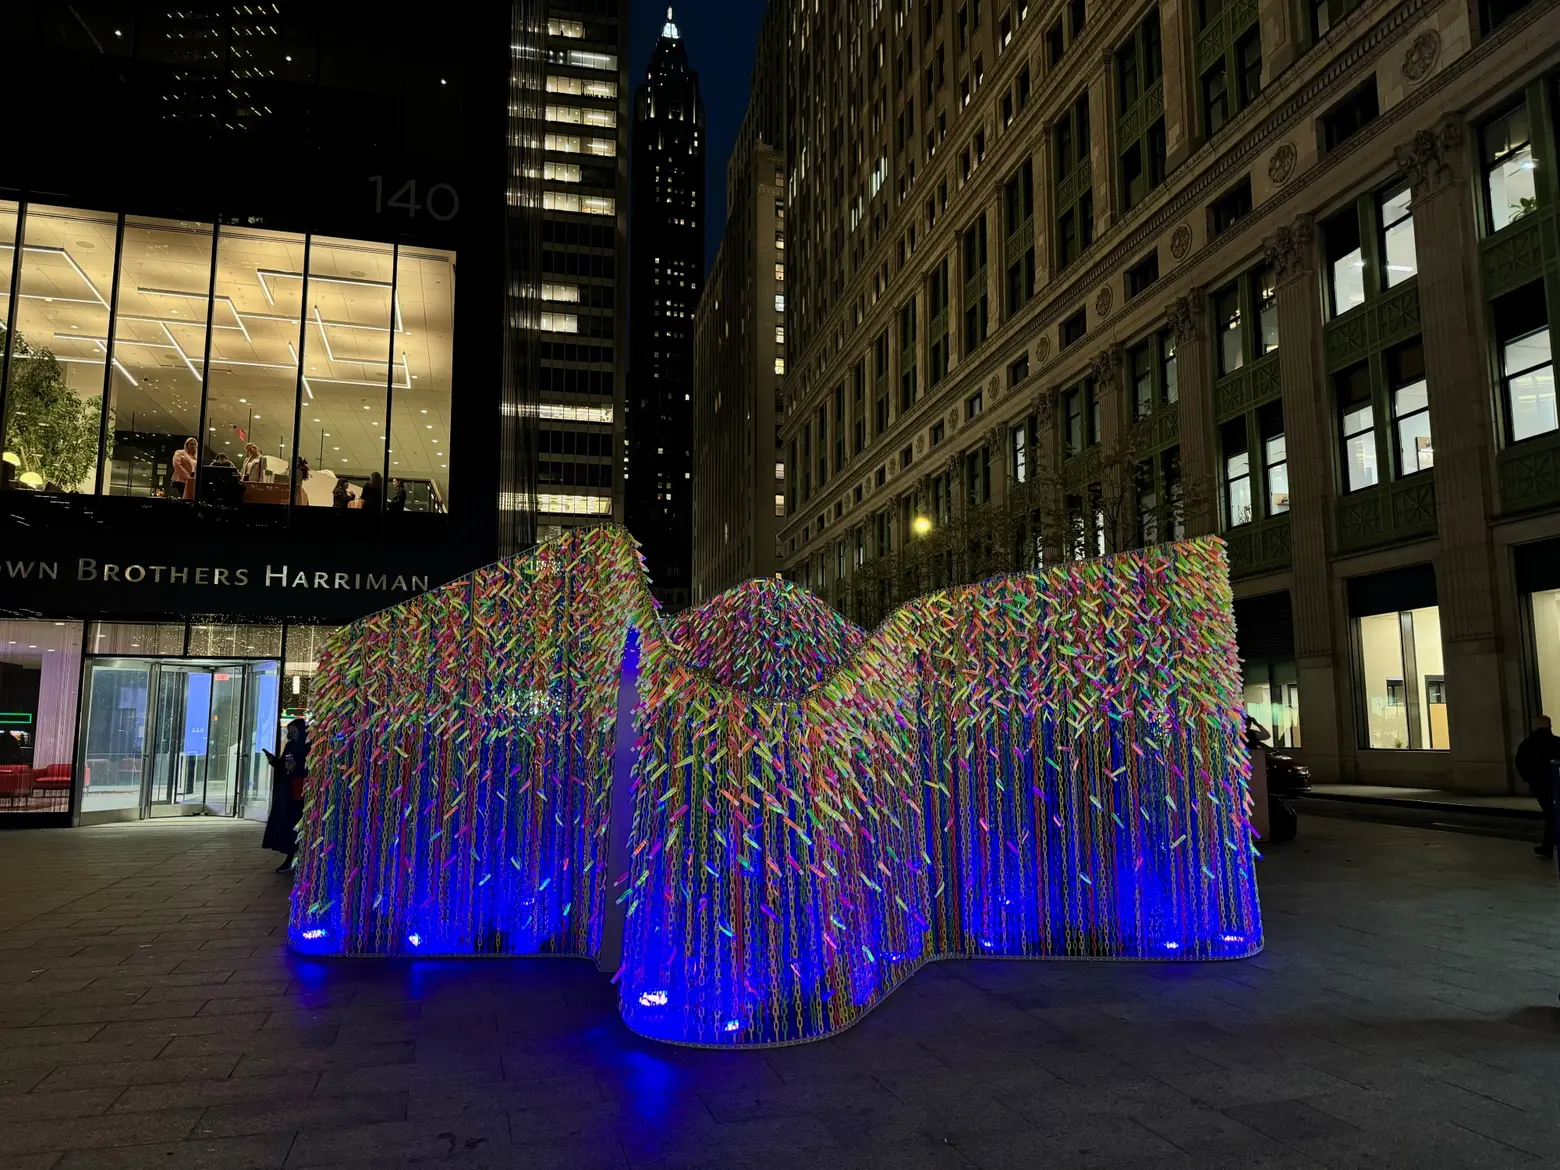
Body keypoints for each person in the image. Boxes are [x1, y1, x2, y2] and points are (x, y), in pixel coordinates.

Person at [262, 718, 309, 872]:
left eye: (294, 731)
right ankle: (290, 856)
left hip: (301, 791)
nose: (292, 735)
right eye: (290, 732)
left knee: (296, 825)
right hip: (288, 790)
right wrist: (274, 761)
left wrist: (297, 768)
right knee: (287, 824)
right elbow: (284, 765)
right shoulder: (290, 746)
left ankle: (296, 857)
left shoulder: (307, 746)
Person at [1514, 715, 1560, 859]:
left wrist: (1531, 780)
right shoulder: (1557, 742)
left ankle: (1547, 847)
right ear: (1549, 726)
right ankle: (1547, 846)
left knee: (1551, 816)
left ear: (1534, 726)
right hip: (1557, 784)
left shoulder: (1527, 745)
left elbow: (1520, 763)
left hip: (1540, 785)